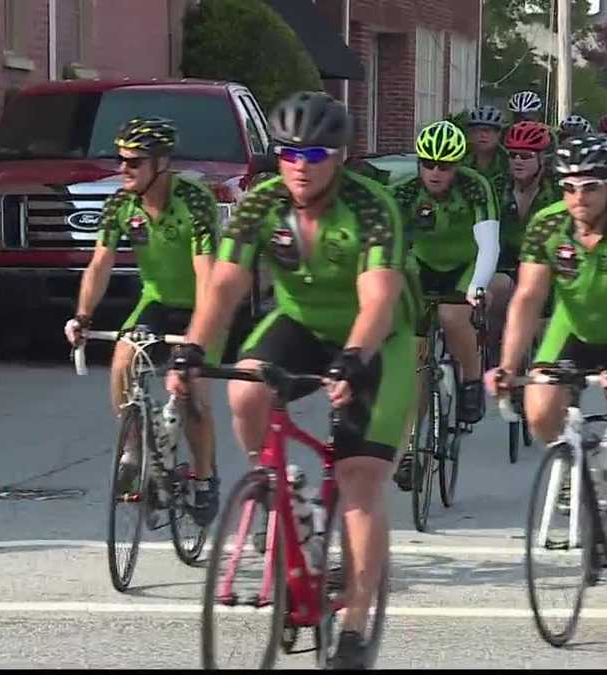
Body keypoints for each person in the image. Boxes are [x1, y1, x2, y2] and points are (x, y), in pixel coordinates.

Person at [165, 91, 416, 669]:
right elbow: (224, 283)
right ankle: (274, 489)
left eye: (317, 152)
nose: (301, 163)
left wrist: (354, 357)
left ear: (341, 156)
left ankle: (354, 624)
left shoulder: (372, 207)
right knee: (245, 387)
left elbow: (378, 298)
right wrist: (194, 349)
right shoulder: (262, 204)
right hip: (300, 322)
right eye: (289, 151)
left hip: (376, 340)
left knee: (358, 478)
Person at [486, 134, 607, 612]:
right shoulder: (548, 226)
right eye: (568, 187)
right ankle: (582, 478)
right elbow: (527, 299)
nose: (577, 199)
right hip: (573, 328)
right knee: (540, 411)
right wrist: (508, 364)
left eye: (588, 187)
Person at [64, 117, 222, 525]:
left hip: (201, 305)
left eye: (134, 162)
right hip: (156, 300)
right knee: (122, 359)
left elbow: (207, 276)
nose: (123, 169)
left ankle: (204, 481)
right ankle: (134, 446)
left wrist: (195, 342)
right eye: (121, 160)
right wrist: (83, 316)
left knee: (192, 393)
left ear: (161, 164)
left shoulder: (195, 201)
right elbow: (100, 265)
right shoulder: (121, 203)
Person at [389, 120, 499, 489]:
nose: (436, 172)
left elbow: (489, 245)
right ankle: (407, 453)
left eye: (445, 166)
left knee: (454, 316)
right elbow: (390, 249)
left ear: (458, 166)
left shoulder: (475, 186)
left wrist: (477, 286)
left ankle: (470, 382)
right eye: (428, 164)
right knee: (414, 363)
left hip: (463, 267)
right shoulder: (404, 193)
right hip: (420, 268)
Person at [487, 121, 559, 360]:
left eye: (526, 156)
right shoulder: (495, 187)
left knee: (545, 331)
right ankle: (495, 354)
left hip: (547, 265)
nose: (517, 161)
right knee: (494, 291)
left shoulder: (559, 189)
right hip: (504, 263)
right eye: (513, 154)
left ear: (543, 160)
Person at [462, 105, 511, 203]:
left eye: (488, 130)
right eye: (478, 130)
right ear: (470, 134)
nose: (483, 135)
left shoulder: (509, 161)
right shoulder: (459, 159)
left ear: (499, 134)